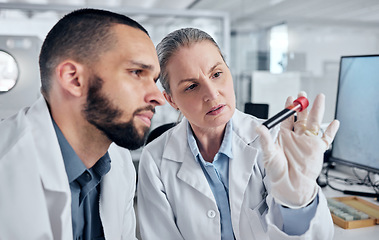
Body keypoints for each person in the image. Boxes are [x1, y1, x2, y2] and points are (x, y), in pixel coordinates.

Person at [137, 27, 340, 240]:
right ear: (171, 100)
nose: (212, 93)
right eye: (192, 86)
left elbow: (319, 236)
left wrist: (299, 204)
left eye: (217, 74)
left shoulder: (272, 140)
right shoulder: (155, 160)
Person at [0, 8, 165, 239]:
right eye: (137, 72)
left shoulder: (119, 163)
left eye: (155, 79)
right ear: (74, 79)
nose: (158, 97)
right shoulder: (6, 167)